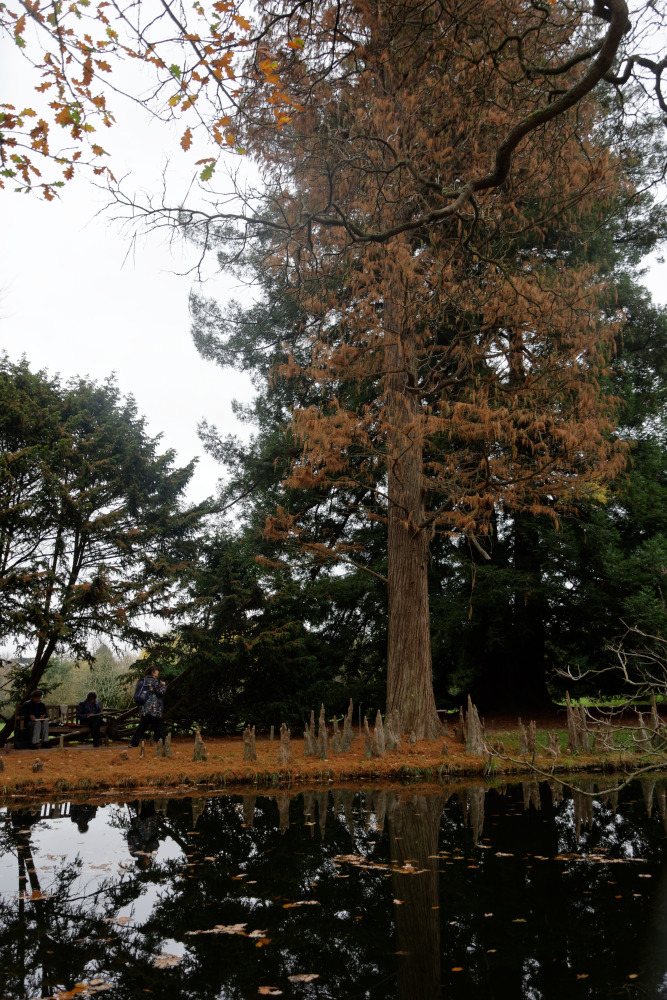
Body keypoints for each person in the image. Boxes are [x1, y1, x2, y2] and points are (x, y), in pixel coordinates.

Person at [128, 666, 166, 747]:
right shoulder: (154, 681)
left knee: (142, 726)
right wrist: (163, 685)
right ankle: (162, 744)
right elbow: (161, 692)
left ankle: (133, 743)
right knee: (158, 727)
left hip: (144, 708)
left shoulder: (143, 681)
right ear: (153, 673)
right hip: (154, 709)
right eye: (156, 671)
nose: (158, 672)